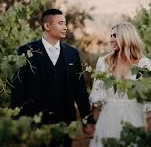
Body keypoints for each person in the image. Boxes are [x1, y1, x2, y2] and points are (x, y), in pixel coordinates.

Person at [11, 8, 95, 144]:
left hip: (66, 124)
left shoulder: (72, 53)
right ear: (47, 26)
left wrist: (87, 121)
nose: (65, 27)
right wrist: (17, 123)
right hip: (35, 124)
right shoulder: (25, 51)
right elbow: (18, 91)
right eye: (61, 23)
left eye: (65, 23)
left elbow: (80, 90)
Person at [88, 22, 151, 146]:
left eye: (115, 35)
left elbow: (149, 99)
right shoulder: (104, 62)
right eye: (110, 36)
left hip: (135, 119)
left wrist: (150, 130)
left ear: (126, 36)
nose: (111, 39)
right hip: (108, 120)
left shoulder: (144, 64)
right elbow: (98, 97)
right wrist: (92, 125)